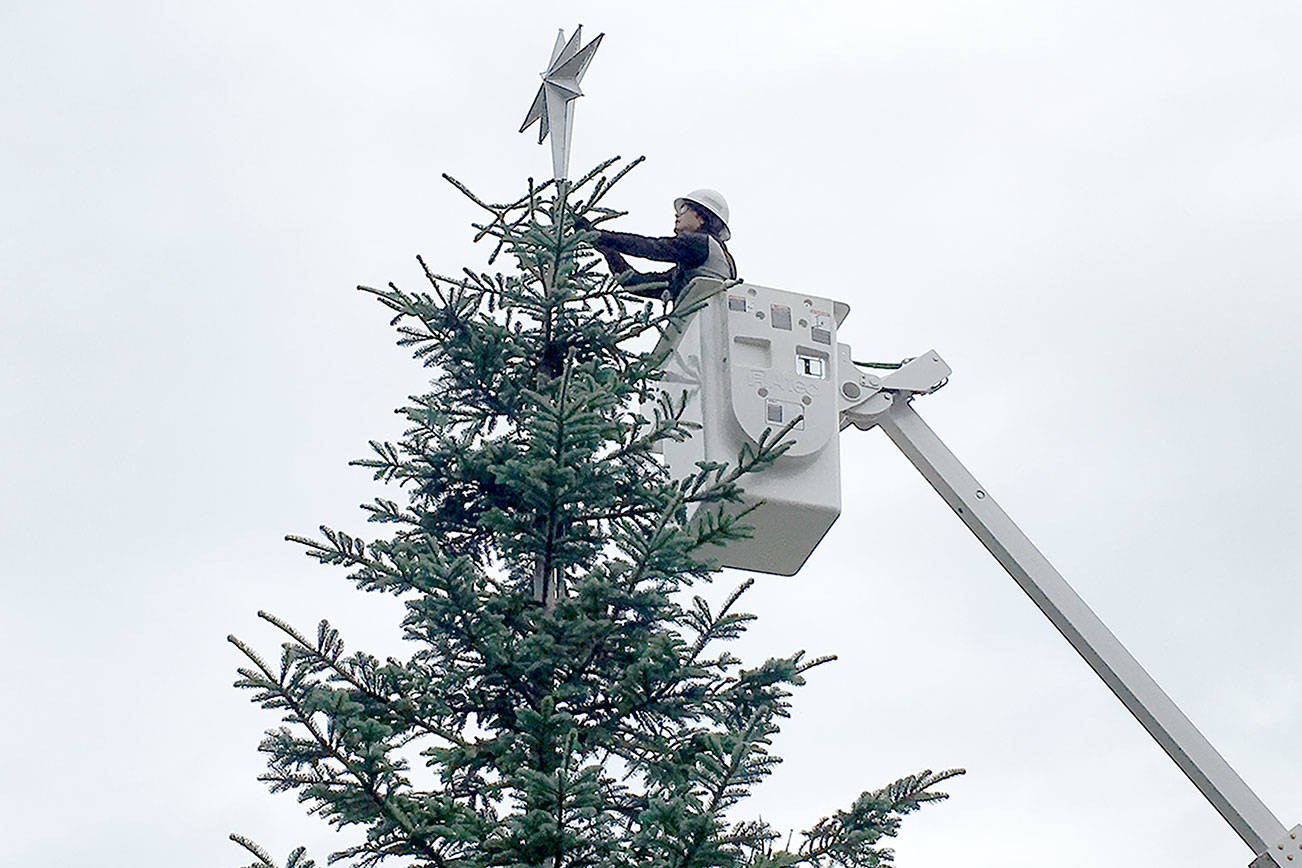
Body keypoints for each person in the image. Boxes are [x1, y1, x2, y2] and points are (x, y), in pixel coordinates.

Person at [578, 189, 737, 300]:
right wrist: (608, 251)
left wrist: (596, 235)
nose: (677, 214)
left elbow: (647, 246)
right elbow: (637, 284)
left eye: (683, 208)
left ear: (702, 217)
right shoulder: (710, 262)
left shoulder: (698, 243)